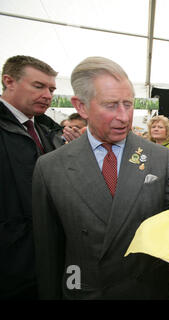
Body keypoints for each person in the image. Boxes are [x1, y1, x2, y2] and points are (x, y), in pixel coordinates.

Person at [32, 56, 169, 300]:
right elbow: (47, 253)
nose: (124, 117)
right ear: (81, 106)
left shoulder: (157, 156)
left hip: (147, 288)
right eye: (111, 105)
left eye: (128, 104)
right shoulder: (50, 167)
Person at [0, 55, 63, 299]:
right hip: (10, 258)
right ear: (9, 81)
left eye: (51, 89)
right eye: (38, 86)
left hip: (44, 252)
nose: (48, 95)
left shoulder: (48, 129)